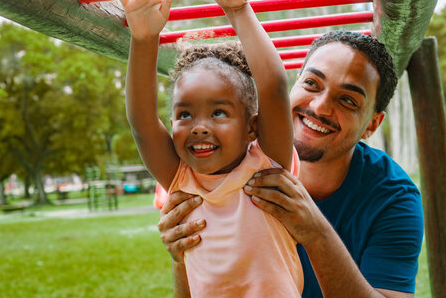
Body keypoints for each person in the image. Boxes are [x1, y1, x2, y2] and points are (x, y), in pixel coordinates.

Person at [158, 29, 425, 297]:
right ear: (296, 84)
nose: (320, 108)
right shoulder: (228, 161)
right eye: (312, 83)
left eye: (347, 100)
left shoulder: (393, 196)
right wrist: (184, 256)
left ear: (372, 125)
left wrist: (315, 232)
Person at [111, 0, 303, 297]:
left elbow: (273, 87)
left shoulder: (267, 166)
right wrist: (144, 38)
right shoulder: (181, 179)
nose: (199, 127)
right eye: (185, 115)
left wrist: (238, 9)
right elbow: (141, 123)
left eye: (218, 113)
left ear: (251, 127)